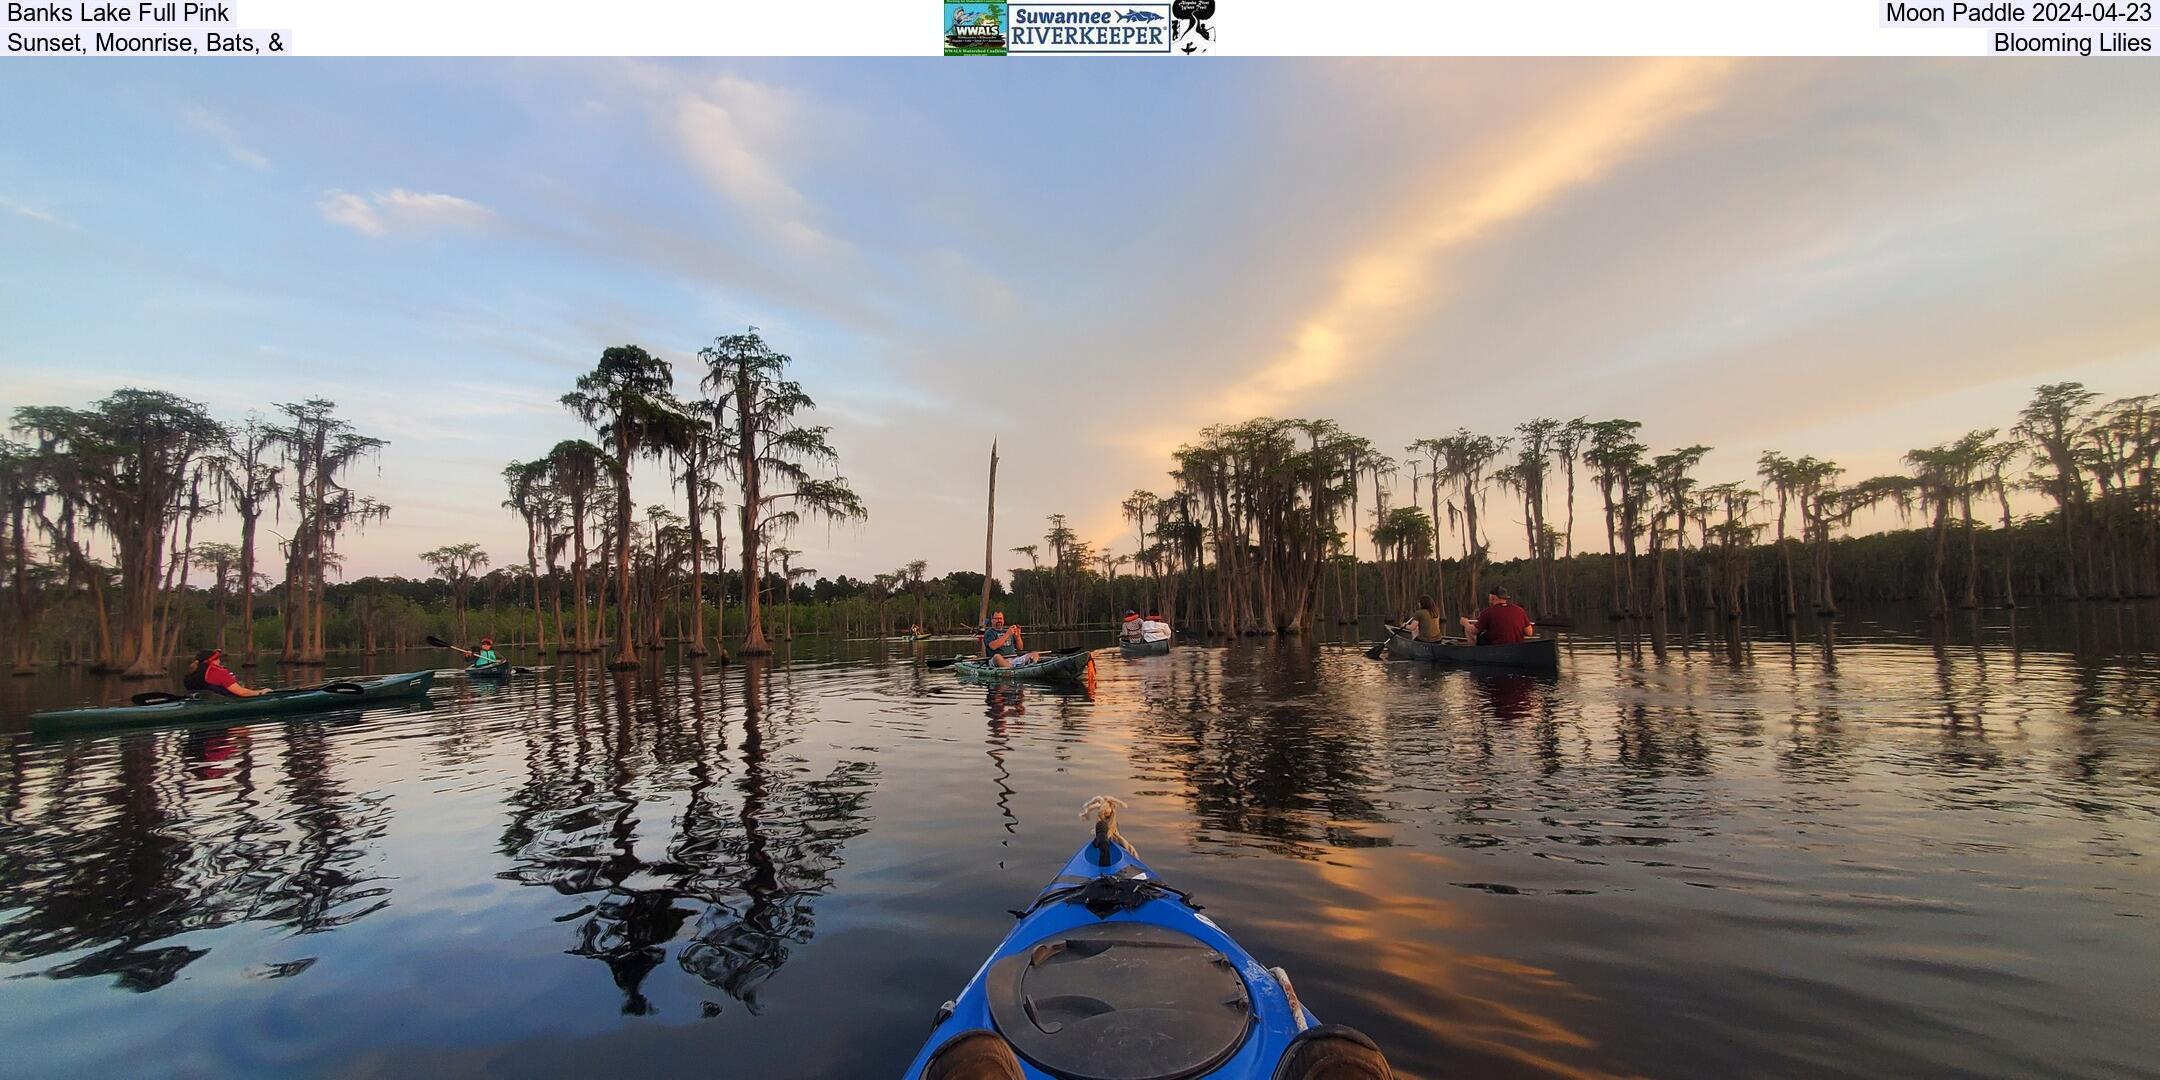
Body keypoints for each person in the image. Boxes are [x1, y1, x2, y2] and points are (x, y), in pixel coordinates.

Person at [1460, 585, 1535, 645]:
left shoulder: (1488, 612)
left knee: (1469, 630)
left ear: (1493, 597)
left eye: (1489, 597)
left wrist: (1466, 623)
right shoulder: (1520, 610)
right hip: (1517, 648)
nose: (1489, 599)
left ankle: (1474, 653)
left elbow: (1473, 631)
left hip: (1496, 649)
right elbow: (1529, 632)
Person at [184, 648, 268, 698]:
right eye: (218, 658)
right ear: (213, 661)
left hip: (196, 701)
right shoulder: (218, 673)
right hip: (219, 703)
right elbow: (242, 693)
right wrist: (260, 692)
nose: (219, 660)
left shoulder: (192, 672)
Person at [980, 611, 1045, 668]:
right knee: (997, 657)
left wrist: (1018, 637)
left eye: (1000, 618)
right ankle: (1014, 670)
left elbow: (1020, 648)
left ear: (1003, 620)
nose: (999, 620)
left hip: (1013, 659)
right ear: (992, 620)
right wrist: (1007, 634)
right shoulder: (989, 632)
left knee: (1035, 654)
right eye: (996, 618)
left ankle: (1031, 667)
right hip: (996, 661)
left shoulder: (1008, 631)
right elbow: (993, 646)